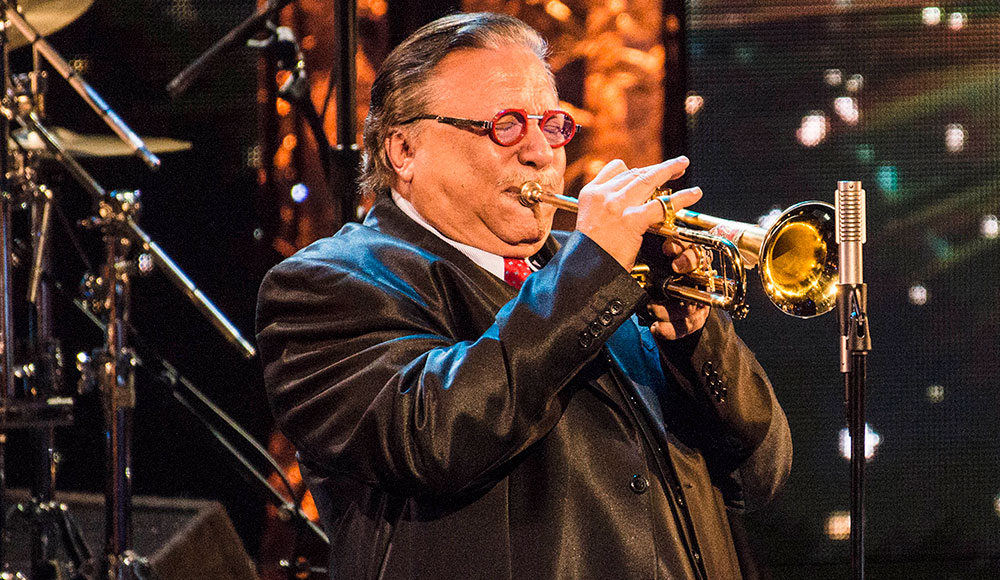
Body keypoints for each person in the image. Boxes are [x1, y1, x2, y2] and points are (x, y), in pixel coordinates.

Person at [256, 11, 791, 580]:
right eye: (506, 125)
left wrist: (694, 340)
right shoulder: (324, 286)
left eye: (553, 124)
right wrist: (591, 275)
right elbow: (432, 437)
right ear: (403, 150)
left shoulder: (603, 273)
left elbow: (761, 473)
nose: (541, 152)